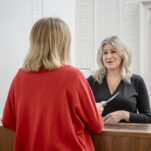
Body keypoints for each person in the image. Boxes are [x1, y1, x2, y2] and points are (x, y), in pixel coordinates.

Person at [2, 17, 103, 151]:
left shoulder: (20, 76)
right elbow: (96, 126)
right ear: (64, 44)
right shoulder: (73, 76)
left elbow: (8, 121)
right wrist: (96, 111)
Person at [87, 35, 151, 124]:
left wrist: (123, 114)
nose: (108, 56)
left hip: (129, 137)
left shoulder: (136, 81)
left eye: (113, 52)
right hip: (97, 136)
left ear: (122, 54)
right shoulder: (92, 81)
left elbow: (148, 118)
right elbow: (80, 113)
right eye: (105, 53)